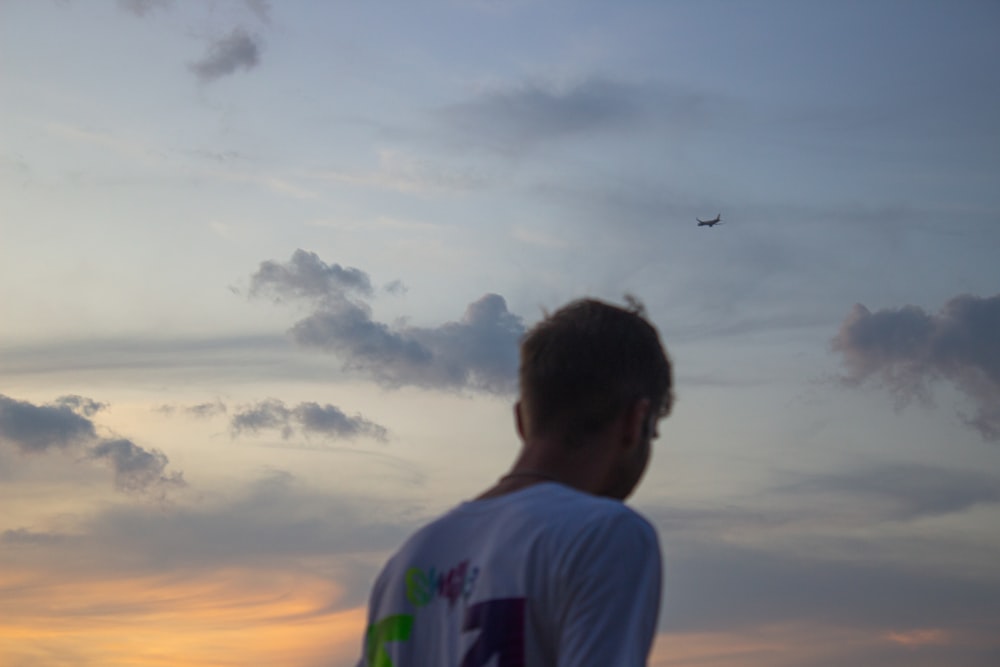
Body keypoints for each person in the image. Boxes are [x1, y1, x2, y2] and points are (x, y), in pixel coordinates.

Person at [358, 297, 674, 667]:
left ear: (522, 421)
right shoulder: (605, 534)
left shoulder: (406, 563)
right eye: (653, 434)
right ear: (636, 421)